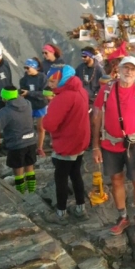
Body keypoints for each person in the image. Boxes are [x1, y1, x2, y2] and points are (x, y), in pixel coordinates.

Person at [92, 56, 135, 235]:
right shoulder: (106, 91)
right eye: (125, 68)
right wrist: (95, 147)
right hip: (110, 143)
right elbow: (96, 120)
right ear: (118, 70)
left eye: (132, 69)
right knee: (116, 180)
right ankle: (123, 217)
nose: (128, 72)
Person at [43, 65, 91, 225]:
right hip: (80, 141)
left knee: (61, 178)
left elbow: (49, 124)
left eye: (52, 80)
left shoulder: (63, 97)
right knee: (76, 174)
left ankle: (61, 213)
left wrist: (47, 113)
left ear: (62, 79)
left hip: (66, 143)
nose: (50, 84)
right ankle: (80, 209)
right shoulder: (81, 91)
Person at [19, 57, 49, 157]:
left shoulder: (42, 78)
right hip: (29, 105)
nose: (26, 70)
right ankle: (29, 147)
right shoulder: (24, 78)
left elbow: (44, 93)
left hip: (40, 105)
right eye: (25, 68)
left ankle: (39, 148)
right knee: (28, 127)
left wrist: (29, 93)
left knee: (41, 128)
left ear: (34, 67)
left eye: (28, 68)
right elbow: (23, 90)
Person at [75, 47, 105, 125]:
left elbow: (103, 86)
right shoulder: (80, 68)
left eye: (85, 56)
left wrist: (96, 95)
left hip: (94, 101)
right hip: (81, 99)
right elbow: (74, 80)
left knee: (93, 122)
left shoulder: (99, 70)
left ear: (91, 56)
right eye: (82, 56)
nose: (82, 58)